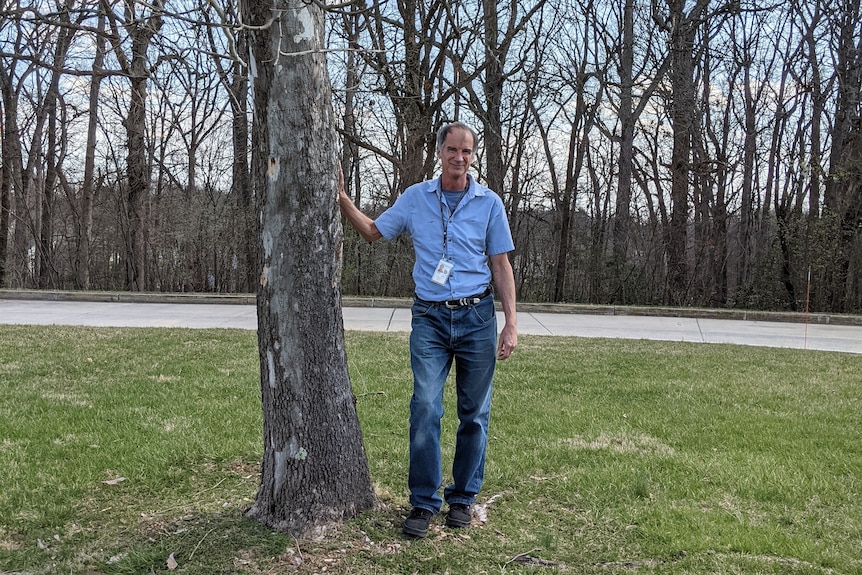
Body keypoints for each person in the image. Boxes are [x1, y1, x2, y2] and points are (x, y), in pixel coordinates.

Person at [338, 121, 518, 538]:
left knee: (474, 414)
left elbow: (501, 265)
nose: (459, 158)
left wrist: (510, 323)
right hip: (430, 319)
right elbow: (372, 232)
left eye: (467, 152)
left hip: (477, 318)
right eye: (452, 150)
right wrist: (343, 199)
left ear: (474, 156)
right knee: (425, 409)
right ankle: (423, 502)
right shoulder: (416, 198)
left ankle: (462, 499)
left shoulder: (489, 203)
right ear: (439, 153)